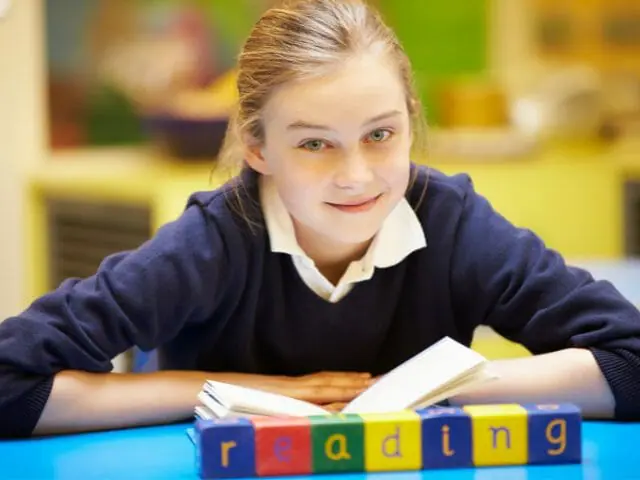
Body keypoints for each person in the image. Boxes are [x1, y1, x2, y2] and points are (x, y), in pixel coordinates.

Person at [1, 0, 640, 439]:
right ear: (257, 147)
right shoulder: (210, 244)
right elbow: (9, 383)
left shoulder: (453, 225)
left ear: (410, 120)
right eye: (313, 143)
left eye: (381, 134)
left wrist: (419, 387)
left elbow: (629, 359)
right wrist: (244, 390)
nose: (356, 175)